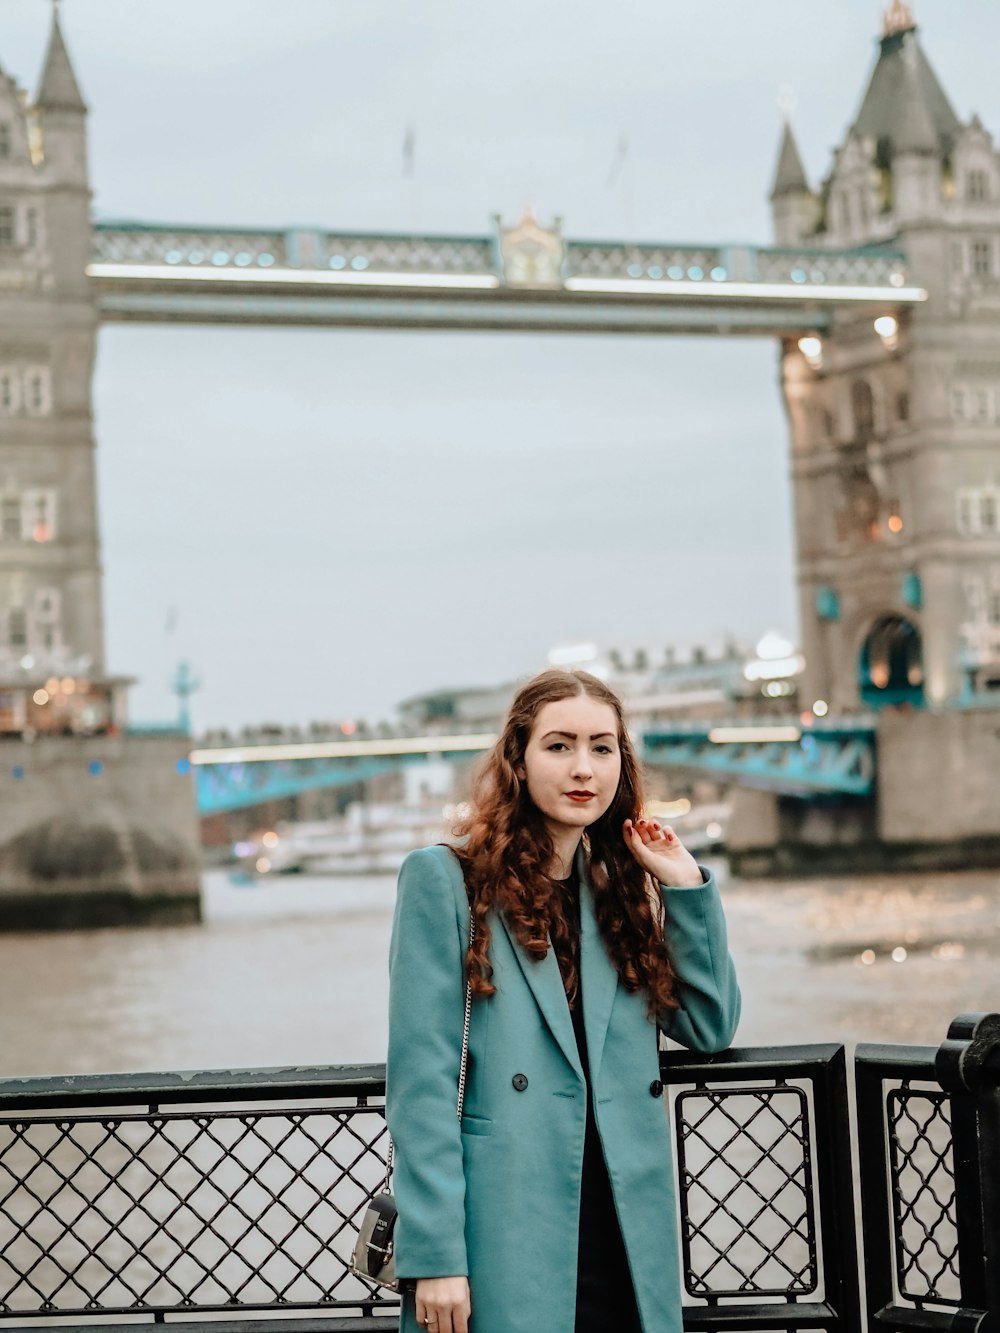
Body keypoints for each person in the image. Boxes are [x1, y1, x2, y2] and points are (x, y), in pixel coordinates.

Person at [386, 668, 741, 1333]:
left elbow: (710, 1022)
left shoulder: (617, 889)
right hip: (508, 1225)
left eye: (602, 747)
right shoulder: (447, 879)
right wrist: (436, 1255)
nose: (584, 768)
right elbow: (421, 1083)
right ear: (517, 758)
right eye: (559, 745)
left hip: (626, 1229)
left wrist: (687, 886)